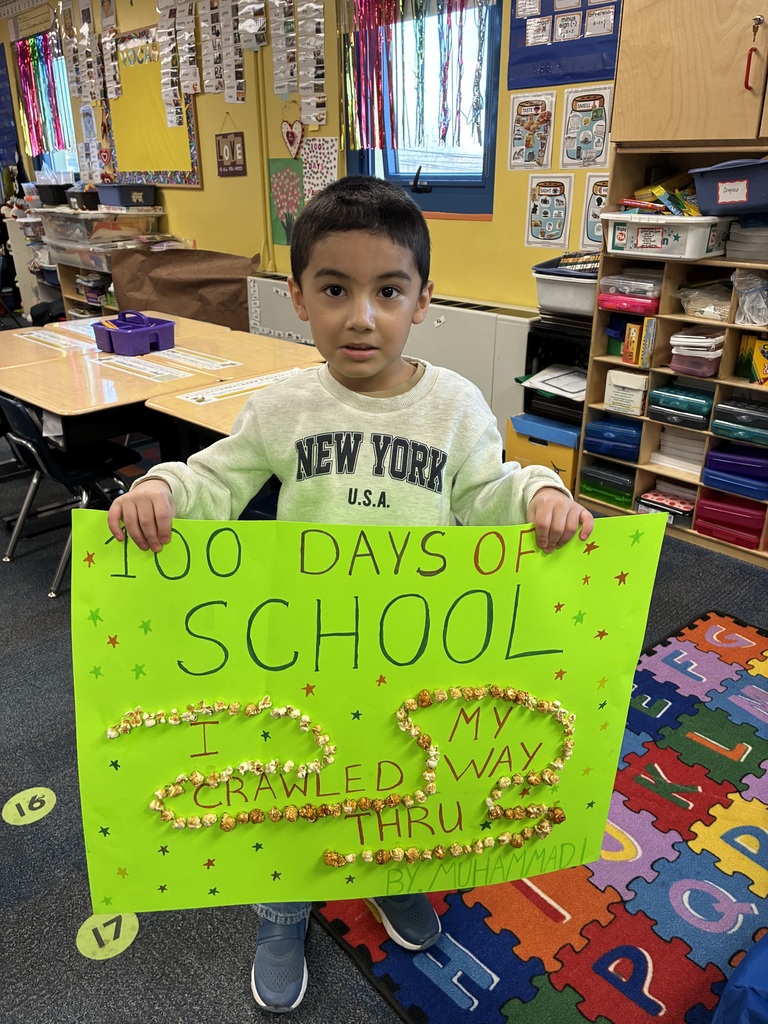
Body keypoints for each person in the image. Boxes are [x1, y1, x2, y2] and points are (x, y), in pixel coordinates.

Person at [107, 175, 594, 1013]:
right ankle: (281, 904)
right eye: (335, 289)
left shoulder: (455, 408)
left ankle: (387, 871)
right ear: (297, 297)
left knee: (400, 775)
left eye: (388, 291)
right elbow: (216, 483)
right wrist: (161, 489)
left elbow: (487, 492)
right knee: (292, 781)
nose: (361, 315)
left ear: (423, 300)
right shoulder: (283, 406)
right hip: (305, 645)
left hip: (416, 649)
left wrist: (539, 498)